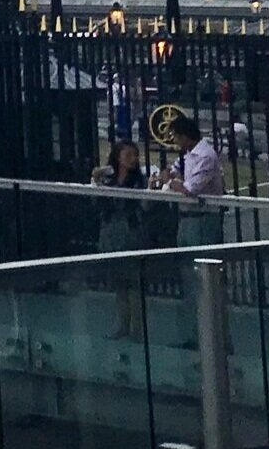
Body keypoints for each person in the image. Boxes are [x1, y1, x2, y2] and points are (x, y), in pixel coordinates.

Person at [92, 141, 149, 338]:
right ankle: (122, 324)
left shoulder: (138, 181)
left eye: (135, 155)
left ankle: (137, 328)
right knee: (118, 282)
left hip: (130, 230)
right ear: (118, 157)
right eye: (128, 155)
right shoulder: (109, 179)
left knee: (133, 281)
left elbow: (142, 205)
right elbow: (98, 202)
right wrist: (96, 182)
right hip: (111, 231)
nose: (132, 160)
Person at [152, 113, 224, 246]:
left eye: (175, 136)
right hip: (186, 217)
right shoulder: (188, 155)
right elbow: (173, 172)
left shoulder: (205, 156)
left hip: (203, 218)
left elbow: (190, 189)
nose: (174, 141)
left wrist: (169, 181)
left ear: (184, 136)